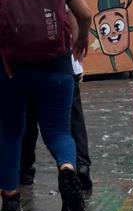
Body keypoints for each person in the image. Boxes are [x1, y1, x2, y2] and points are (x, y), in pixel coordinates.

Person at [0, 0, 90, 211]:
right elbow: (84, 12)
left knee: (10, 132)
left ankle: (10, 201)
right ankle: (67, 169)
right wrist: (82, 40)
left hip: (10, 70)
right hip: (56, 65)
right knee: (59, 131)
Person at [21, 28, 92, 195]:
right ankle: (78, 167)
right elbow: (82, 15)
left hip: (21, 66)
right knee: (67, 125)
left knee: (26, 122)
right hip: (61, 65)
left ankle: (22, 178)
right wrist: (79, 48)